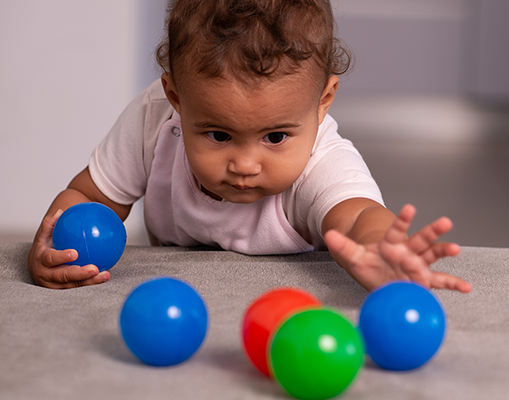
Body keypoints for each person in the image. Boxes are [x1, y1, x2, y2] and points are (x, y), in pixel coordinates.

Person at [27, 0, 472, 293]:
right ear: (176, 98)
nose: (244, 164)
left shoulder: (323, 159)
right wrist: (53, 244)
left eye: (275, 137)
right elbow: (90, 196)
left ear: (322, 102)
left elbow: (356, 215)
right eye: (218, 135)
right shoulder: (154, 118)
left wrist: (379, 250)